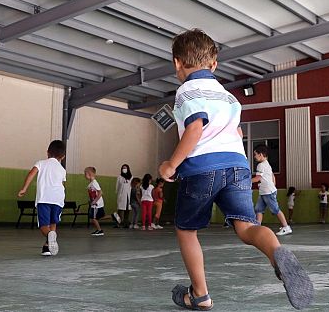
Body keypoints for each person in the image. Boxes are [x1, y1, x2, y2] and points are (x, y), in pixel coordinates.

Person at [159, 29, 312, 310]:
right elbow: (237, 133)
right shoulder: (229, 97)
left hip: (202, 168)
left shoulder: (186, 91)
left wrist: (172, 163)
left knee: (186, 230)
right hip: (237, 166)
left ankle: (200, 295)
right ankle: (276, 252)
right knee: (247, 227)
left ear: (177, 63)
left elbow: (194, 127)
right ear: (214, 64)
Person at [18, 140, 67, 256]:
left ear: (47, 152)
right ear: (63, 157)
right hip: (58, 199)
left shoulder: (41, 163)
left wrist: (24, 188)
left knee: (44, 225)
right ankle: (47, 247)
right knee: (53, 222)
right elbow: (62, 185)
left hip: (44, 198)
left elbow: (31, 174)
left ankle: (49, 237)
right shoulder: (62, 170)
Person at [252, 145, 292, 236]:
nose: (254, 156)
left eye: (255, 154)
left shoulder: (261, 165)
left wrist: (246, 181)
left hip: (267, 192)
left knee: (275, 209)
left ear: (261, 154)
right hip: (264, 191)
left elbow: (258, 178)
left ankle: (286, 227)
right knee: (259, 209)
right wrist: (273, 184)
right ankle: (257, 227)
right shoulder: (266, 163)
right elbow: (272, 175)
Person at [85, 167, 105, 236]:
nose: (85, 176)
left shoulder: (94, 183)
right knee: (95, 217)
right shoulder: (91, 183)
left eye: (85, 174)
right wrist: (90, 200)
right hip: (93, 203)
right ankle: (98, 229)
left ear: (89, 174)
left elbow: (100, 192)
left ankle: (100, 230)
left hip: (97, 204)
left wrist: (95, 201)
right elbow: (92, 193)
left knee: (93, 218)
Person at [114, 164, 132, 228]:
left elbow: (132, 186)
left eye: (125, 168)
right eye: (123, 168)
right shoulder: (119, 177)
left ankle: (126, 223)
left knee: (127, 210)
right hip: (121, 195)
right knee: (120, 210)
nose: (124, 169)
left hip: (128, 196)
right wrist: (118, 194)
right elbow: (117, 186)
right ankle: (118, 223)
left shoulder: (131, 177)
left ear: (128, 169)